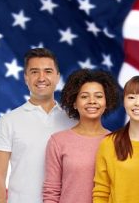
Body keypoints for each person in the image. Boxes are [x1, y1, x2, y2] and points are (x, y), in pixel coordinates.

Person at [0, 48, 76, 203]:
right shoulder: (7, 122)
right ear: (26, 78)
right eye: (35, 72)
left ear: (57, 77)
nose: (41, 78)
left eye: (48, 71)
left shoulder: (73, 120)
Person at [42, 69, 119, 203]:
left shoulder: (118, 142)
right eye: (84, 96)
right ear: (74, 103)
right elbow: (51, 192)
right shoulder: (58, 142)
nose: (92, 101)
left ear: (107, 102)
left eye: (98, 96)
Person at [93, 76, 139, 203]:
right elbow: (101, 191)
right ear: (124, 102)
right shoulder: (108, 143)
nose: (137, 103)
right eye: (131, 97)